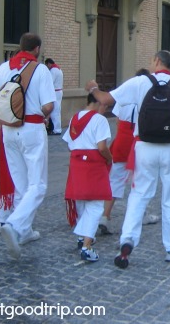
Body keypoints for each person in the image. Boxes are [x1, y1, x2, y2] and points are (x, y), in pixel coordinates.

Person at [86, 50, 170, 266]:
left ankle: (127, 241)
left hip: (143, 147)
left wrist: (92, 87)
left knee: (139, 195)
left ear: (157, 61)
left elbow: (105, 99)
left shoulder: (139, 82)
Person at [0, 32, 55, 260]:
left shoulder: (4, 67)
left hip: (8, 130)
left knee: (20, 183)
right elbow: (48, 105)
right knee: (38, 185)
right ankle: (15, 225)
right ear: (36, 49)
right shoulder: (41, 69)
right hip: (32, 129)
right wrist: (44, 114)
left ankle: (24, 231)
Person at [99, 68, 160, 235]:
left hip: (122, 140)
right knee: (141, 180)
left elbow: (118, 121)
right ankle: (142, 214)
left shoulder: (123, 96)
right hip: (139, 140)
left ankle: (105, 216)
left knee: (115, 179)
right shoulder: (149, 97)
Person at [63, 93, 112, 263]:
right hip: (94, 164)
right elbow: (102, 146)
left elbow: (69, 144)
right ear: (97, 103)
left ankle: (81, 237)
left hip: (77, 164)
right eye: (104, 104)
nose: (106, 108)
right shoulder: (99, 120)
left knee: (81, 202)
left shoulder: (74, 118)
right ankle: (87, 246)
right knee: (95, 205)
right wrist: (109, 158)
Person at [44, 58, 64, 135]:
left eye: (47, 65)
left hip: (55, 92)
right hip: (59, 91)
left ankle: (57, 129)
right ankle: (57, 128)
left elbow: (50, 82)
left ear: (49, 63)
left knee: (55, 111)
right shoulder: (59, 69)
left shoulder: (53, 71)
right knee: (57, 110)